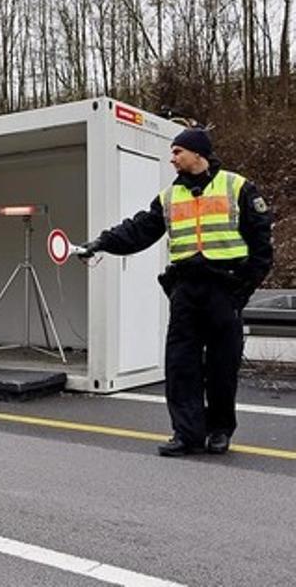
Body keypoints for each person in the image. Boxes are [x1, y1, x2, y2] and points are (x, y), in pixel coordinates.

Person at [76, 127, 273, 457]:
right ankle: (187, 434)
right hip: (185, 291)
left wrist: (244, 288)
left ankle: (219, 430)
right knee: (180, 366)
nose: (172, 158)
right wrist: (101, 243)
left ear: (199, 154)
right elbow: (139, 229)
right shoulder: (169, 196)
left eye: (178, 152)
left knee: (221, 369)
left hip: (224, 289)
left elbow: (262, 245)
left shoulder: (237, 187)